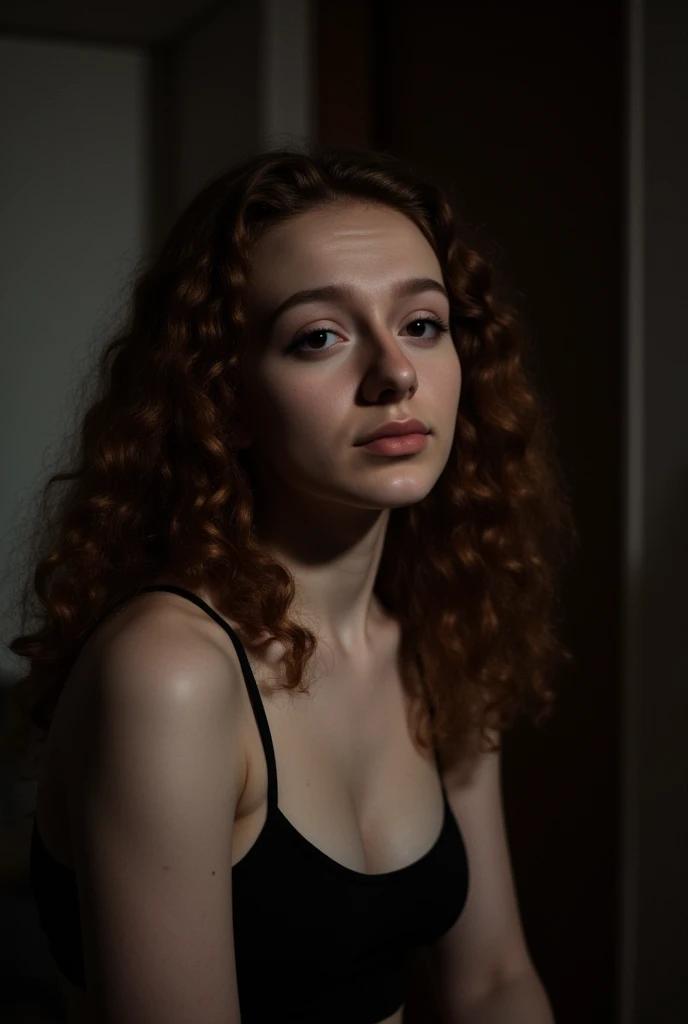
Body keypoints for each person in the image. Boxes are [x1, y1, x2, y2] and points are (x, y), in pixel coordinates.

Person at [3, 145, 576, 1023]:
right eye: (320, 338)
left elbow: (494, 979)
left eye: (422, 324)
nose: (395, 374)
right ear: (222, 399)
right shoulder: (171, 674)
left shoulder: (438, 636)